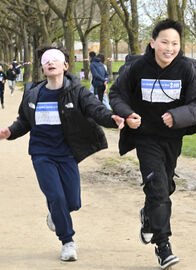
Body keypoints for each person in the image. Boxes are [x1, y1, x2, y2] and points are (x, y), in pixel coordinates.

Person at [109, 19, 196, 269]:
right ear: (153, 42)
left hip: (172, 138)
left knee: (165, 188)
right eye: (164, 42)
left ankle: (148, 216)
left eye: (175, 43)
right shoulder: (138, 67)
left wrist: (178, 116)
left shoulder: (188, 69)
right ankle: (163, 245)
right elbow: (117, 94)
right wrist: (128, 114)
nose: (170, 48)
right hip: (145, 137)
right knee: (157, 188)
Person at [0, 45, 124, 262]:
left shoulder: (77, 92)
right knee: (56, 196)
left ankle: (55, 215)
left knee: (73, 202)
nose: (50, 62)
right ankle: (67, 241)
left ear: (65, 65)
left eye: (55, 59)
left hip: (67, 154)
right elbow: (24, 121)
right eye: (46, 60)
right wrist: (10, 132)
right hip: (41, 153)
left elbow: (96, 109)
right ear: (42, 68)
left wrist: (111, 119)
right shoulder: (33, 93)